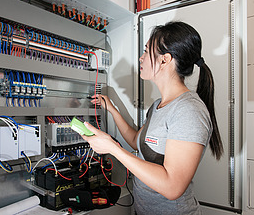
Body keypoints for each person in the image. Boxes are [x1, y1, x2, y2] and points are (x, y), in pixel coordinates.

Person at [82, 21, 224, 215]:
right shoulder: (159, 105)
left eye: (146, 51)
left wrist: (112, 149)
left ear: (165, 60)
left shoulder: (189, 110)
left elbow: (172, 187)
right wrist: (111, 109)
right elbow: (135, 141)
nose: (141, 58)